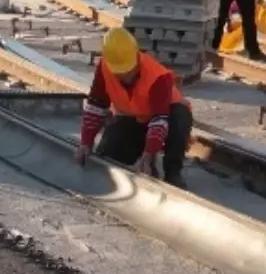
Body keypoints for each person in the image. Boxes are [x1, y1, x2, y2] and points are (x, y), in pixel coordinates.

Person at [77, 27, 193, 188]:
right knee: (107, 154)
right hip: (133, 120)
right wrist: (85, 143)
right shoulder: (105, 68)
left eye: (129, 70)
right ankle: (142, 159)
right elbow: (95, 106)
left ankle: (173, 173)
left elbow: (159, 121)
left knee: (181, 115)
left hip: (166, 121)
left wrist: (149, 154)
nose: (126, 76)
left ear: (136, 58)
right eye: (121, 73)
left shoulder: (158, 76)